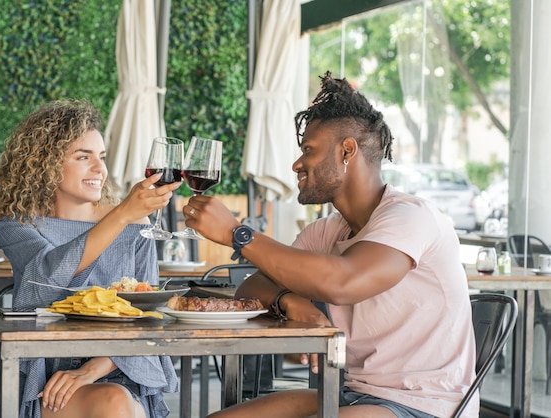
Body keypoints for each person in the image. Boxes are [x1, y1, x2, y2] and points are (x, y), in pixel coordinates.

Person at [182, 72, 478, 418]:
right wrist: (289, 300)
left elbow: (343, 282)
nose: (296, 164)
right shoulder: (326, 232)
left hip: (424, 405)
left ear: (347, 151)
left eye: (308, 150)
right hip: (353, 394)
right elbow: (253, 284)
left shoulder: (411, 217)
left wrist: (238, 234)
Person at [0, 99, 181, 418]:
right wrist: (121, 215)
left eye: (101, 157)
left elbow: (150, 315)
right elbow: (46, 281)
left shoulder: (135, 225)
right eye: (83, 157)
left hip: (120, 367)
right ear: (45, 162)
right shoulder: (18, 224)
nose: (99, 170)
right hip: (49, 374)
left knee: (116, 402)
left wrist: (91, 371)